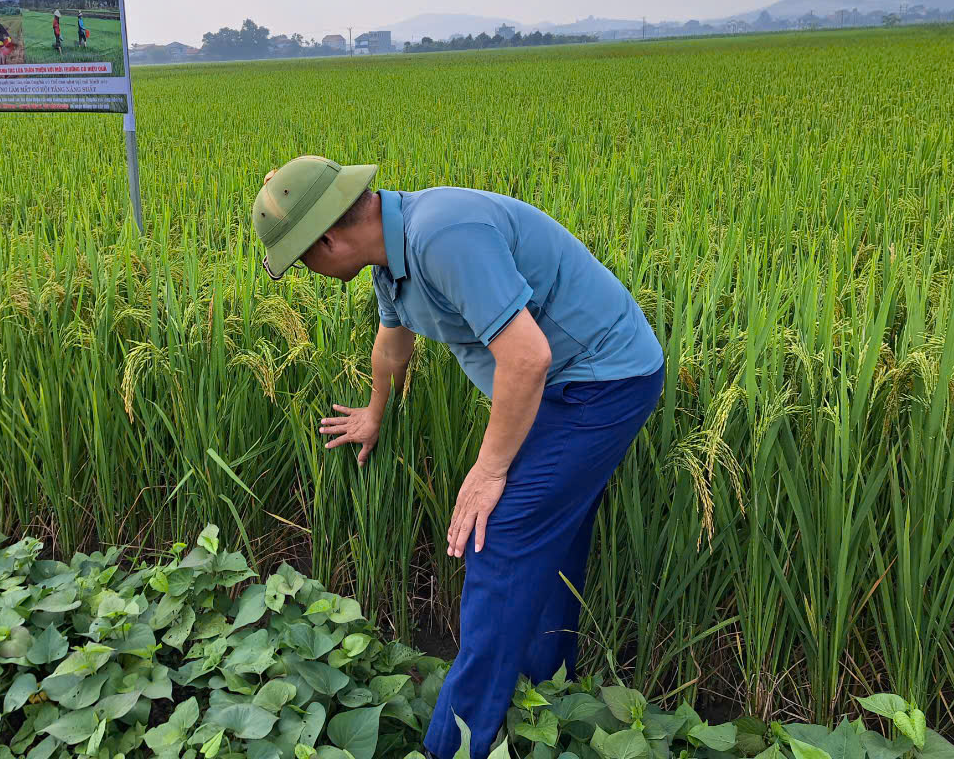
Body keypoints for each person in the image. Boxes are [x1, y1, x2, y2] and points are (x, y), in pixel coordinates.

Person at [251, 156, 665, 759]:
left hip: (601, 383)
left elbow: (528, 359)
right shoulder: (390, 261)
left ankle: (450, 747)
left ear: (331, 238)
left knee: (496, 537)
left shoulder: (443, 236)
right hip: (557, 389)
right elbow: (393, 344)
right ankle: (547, 691)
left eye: (303, 260)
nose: (308, 273)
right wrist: (374, 411)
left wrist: (489, 469)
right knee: (545, 537)